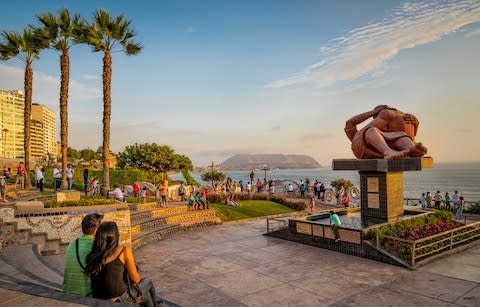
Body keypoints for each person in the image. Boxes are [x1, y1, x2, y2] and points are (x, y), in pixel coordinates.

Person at [84, 222, 158, 306]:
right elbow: (136, 280)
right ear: (115, 237)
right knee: (148, 281)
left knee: (146, 300)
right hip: (118, 302)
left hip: (99, 302)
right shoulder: (124, 250)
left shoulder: (92, 255)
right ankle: (156, 305)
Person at [344, 105, 427, 160]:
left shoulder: (387, 118)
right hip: (389, 150)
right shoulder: (358, 138)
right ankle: (406, 150)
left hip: (391, 150)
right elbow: (349, 124)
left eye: (376, 118)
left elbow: (351, 123)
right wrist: (373, 112)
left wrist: (376, 112)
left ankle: (408, 150)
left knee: (398, 136)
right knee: (372, 130)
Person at [63, 213, 104, 296]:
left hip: (68, 292)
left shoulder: (72, 243)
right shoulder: (97, 246)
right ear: (96, 230)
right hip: (87, 295)